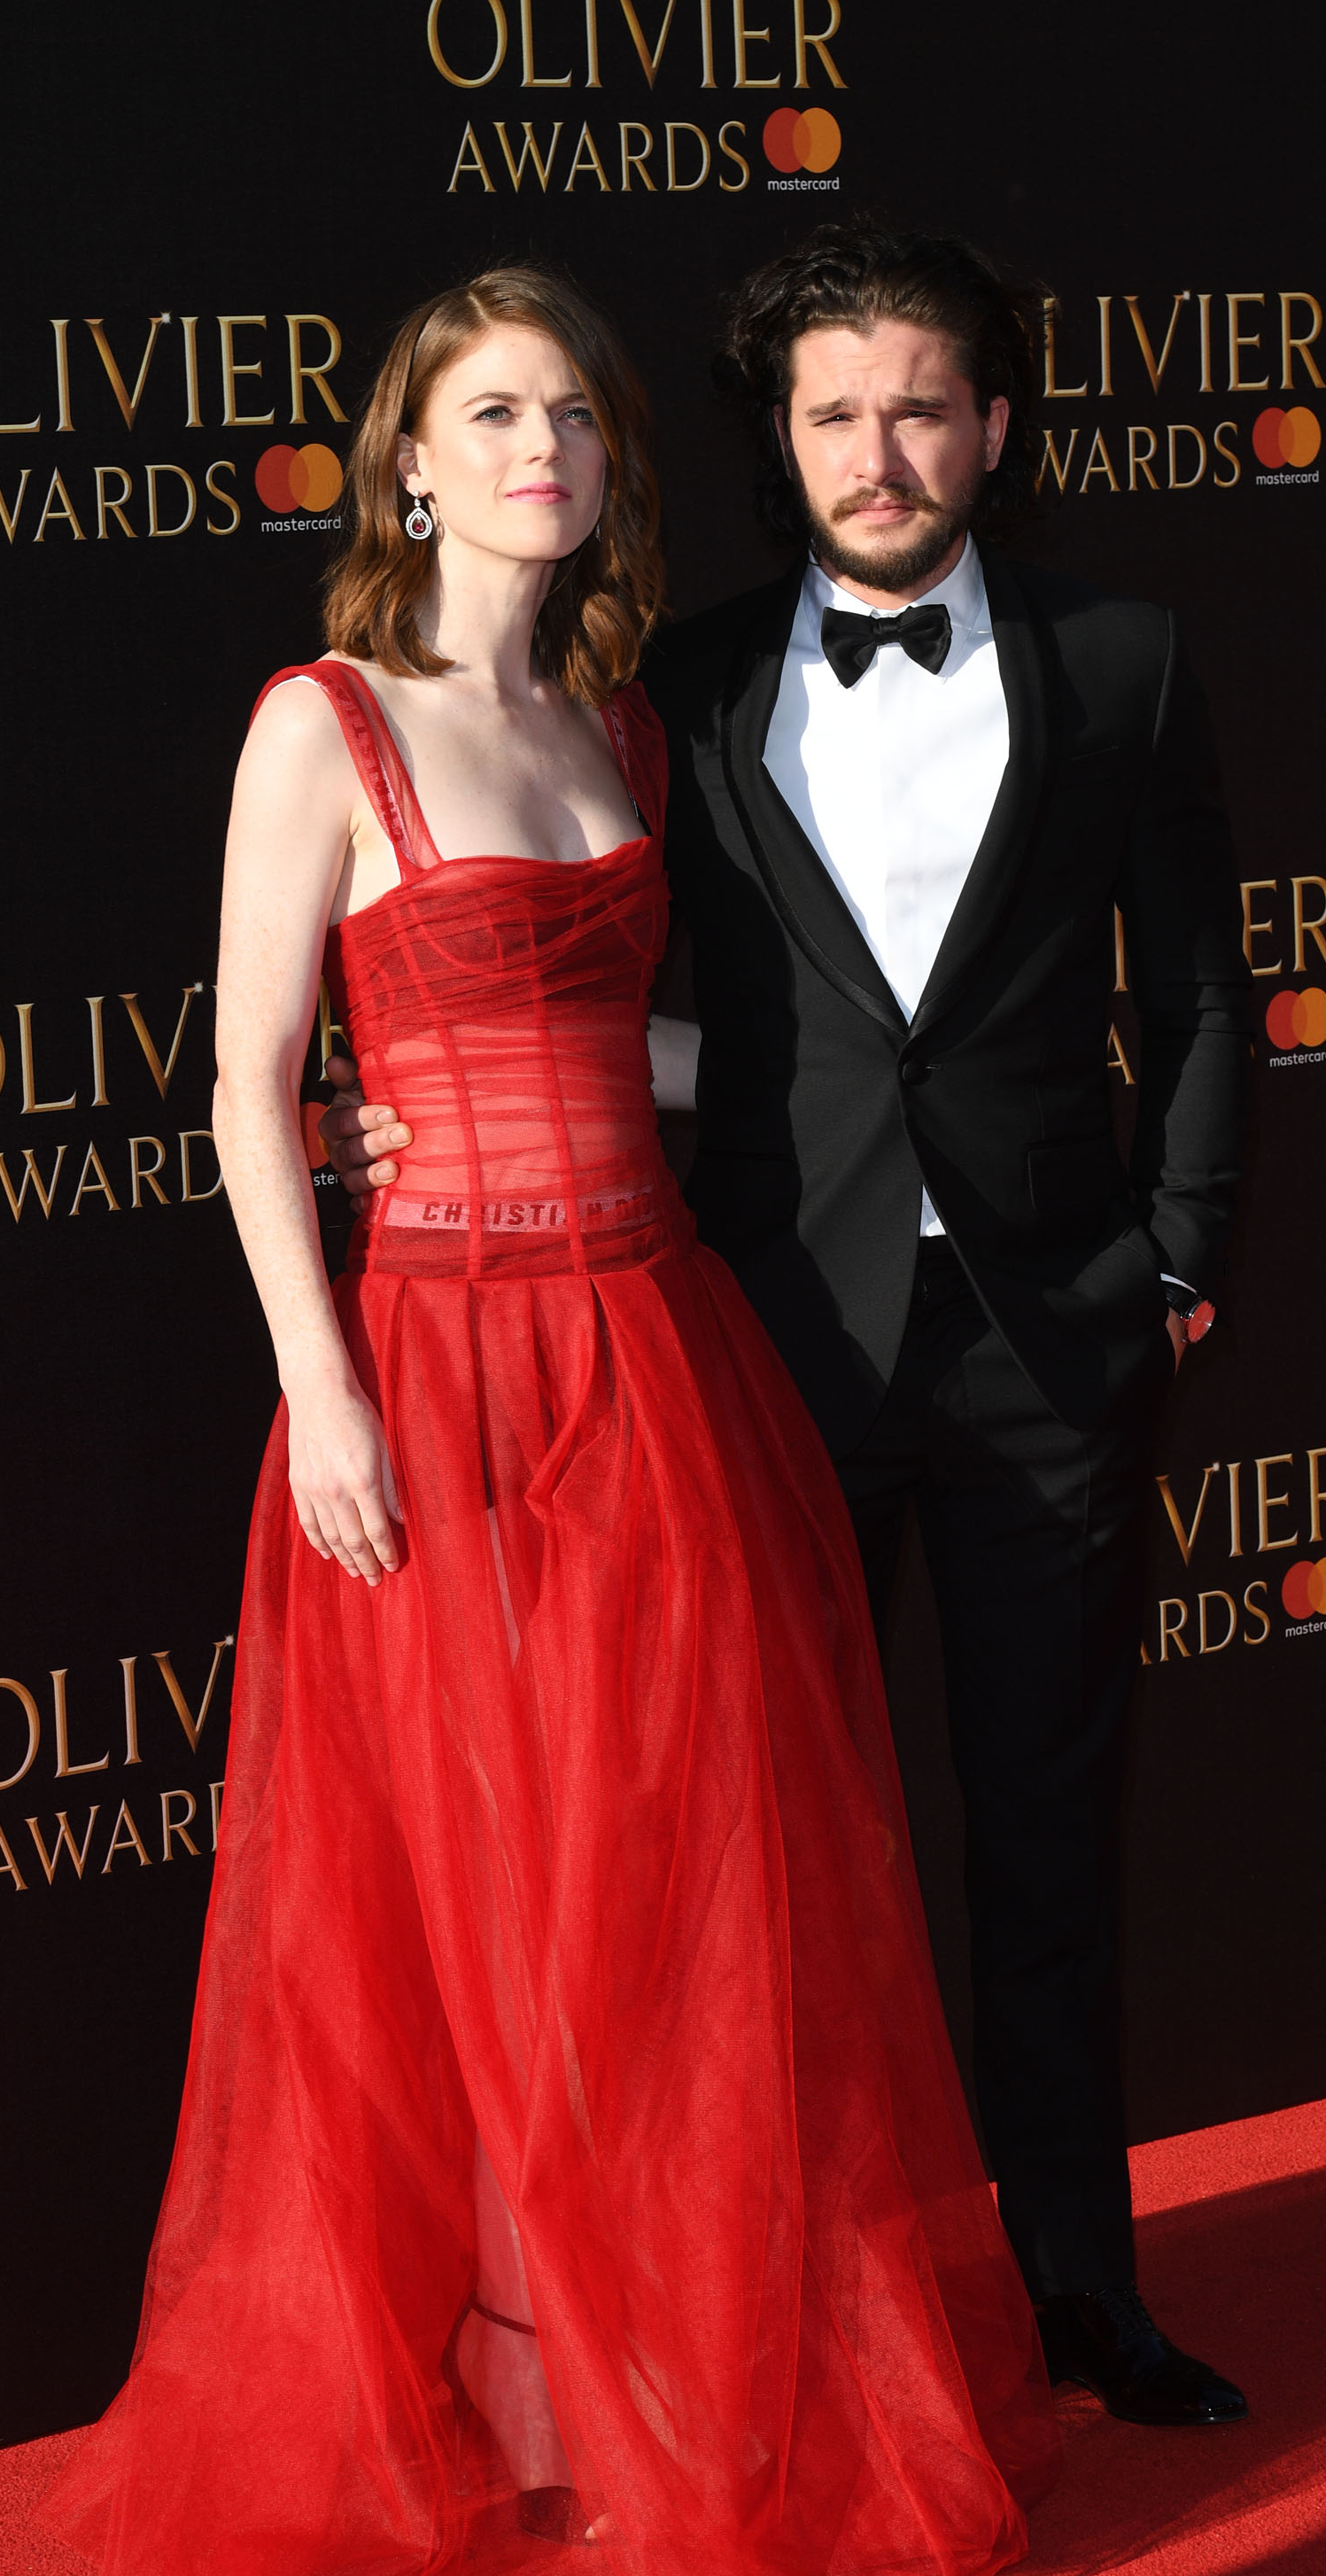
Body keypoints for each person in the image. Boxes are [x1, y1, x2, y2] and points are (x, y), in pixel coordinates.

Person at [42, 267, 1058, 2576]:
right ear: (406, 461)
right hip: (437, 1371)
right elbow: (246, 1081)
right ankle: (520, 2400)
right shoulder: (322, 723)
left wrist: (892, 1085)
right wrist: (320, 1384)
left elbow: (643, 1049)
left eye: (576, 417)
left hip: (651, 1352)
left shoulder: (614, 723)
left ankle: (651, 2386)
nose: (541, 449)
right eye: (492, 412)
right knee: (477, 1905)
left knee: (658, 1890)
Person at [328, 225, 1252, 2428]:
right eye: (833, 413)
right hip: (760, 1352)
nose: (878, 452)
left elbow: (1206, 996)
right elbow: (614, 997)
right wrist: (428, 1088)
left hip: (1050, 1343)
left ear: (991, 430)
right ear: (781, 440)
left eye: (919, 408)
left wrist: (1178, 1261)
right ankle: (779, 2322)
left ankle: (1078, 2293)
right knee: (743, 1875)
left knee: (1046, 1846)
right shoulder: (677, 689)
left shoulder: (1120, 664)